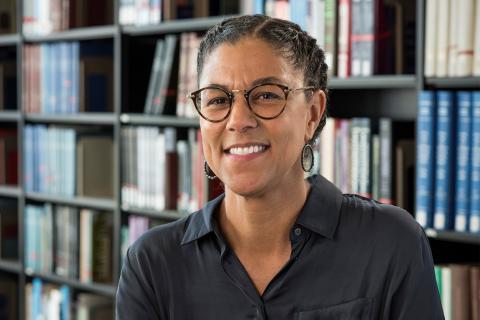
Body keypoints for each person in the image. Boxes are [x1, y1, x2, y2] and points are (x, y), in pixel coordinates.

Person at [116, 15, 444, 319]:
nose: (239, 121)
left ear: (313, 114)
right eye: (217, 100)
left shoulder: (390, 243)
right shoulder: (152, 264)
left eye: (267, 96)